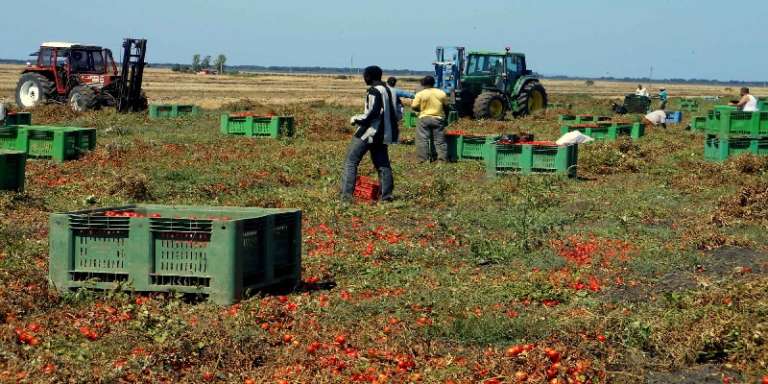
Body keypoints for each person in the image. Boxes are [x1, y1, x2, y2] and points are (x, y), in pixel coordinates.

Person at [340, 66, 400, 202]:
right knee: (383, 165)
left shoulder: (373, 91)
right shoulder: (389, 90)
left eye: (364, 75)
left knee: (351, 162)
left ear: (368, 76)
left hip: (370, 132)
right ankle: (386, 197)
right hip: (384, 134)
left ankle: (346, 197)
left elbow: (372, 113)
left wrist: (356, 119)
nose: (364, 78)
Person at [411, 75, 449, 162]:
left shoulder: (420, 94)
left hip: (424, 118)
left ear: (423, 83)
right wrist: (446, 117)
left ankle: (423, 160)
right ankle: (442, 160)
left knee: (422, 140)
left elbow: (413, 106)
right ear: (434, 83)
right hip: (438, 119)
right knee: (440, 141)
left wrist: (421, 110)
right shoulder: (441, 93)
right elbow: (446, 107)